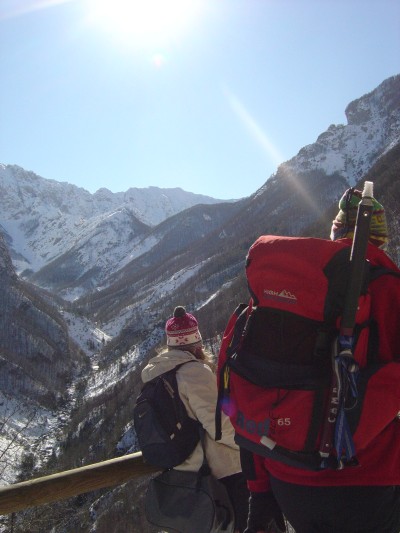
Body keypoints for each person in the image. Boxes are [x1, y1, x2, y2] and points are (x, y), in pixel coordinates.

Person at [240, 188, 400, 533]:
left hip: (288, 481)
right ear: (380, 240)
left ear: (336, 232)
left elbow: (253, 391)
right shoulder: (389, 290)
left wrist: (259, 492)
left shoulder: (290, 297)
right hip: (370, 482)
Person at [141, 305, 249, 533]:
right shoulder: (194, 372)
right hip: (221, 473)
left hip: (185, 471)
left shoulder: (156, 375)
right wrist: (247, 443)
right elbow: (218, 426)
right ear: (196, 342)